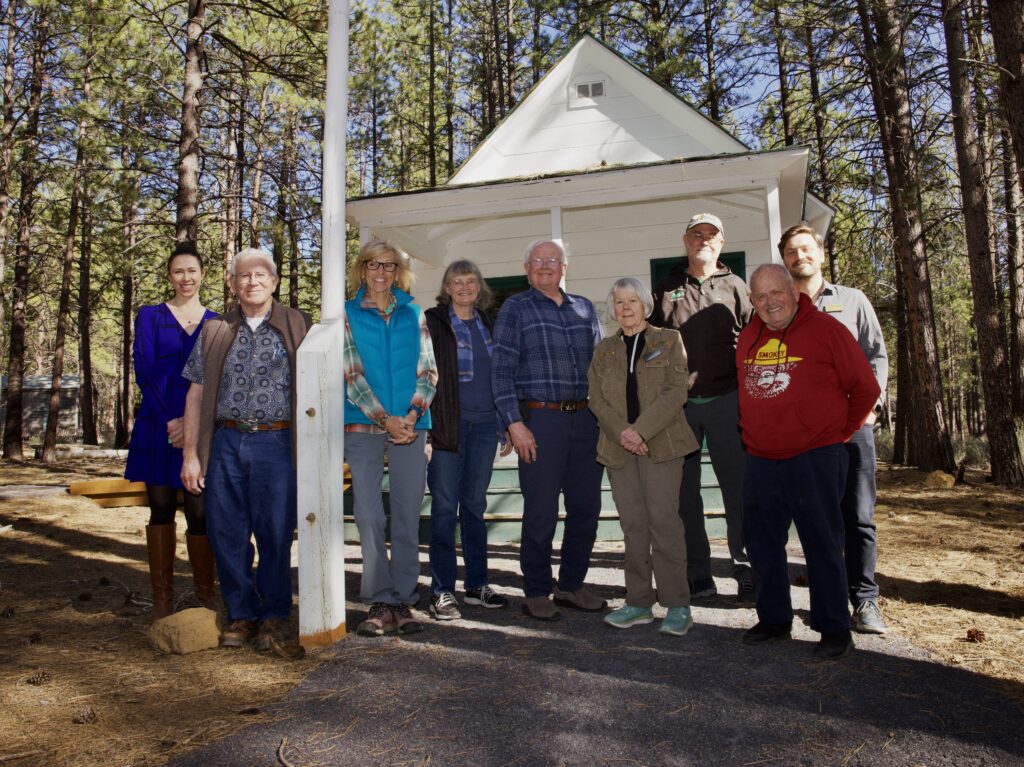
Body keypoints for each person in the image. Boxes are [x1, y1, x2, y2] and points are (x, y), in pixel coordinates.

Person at [737, 264, 880, 661]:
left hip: (814, 456)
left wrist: (842, 431)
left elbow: (865, 387)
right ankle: (774, 620)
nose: (769, 302)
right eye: (760, 296)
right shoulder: (748, 336)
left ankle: (834, 628)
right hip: (761, 458)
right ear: (752, 301)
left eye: (776, 292)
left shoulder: (827, 330)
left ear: (793, 291)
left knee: (822, 543)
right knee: (761, 543)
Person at [181, 248, 311, 652]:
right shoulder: (215, 329)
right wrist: (190, 454)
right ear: (232, 284)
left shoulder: (298, 324)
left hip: (277, 442)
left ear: (274, 281)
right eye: (243, 276)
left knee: (275, 531)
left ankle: (273, 615)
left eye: (260, 275)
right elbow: (196, 392)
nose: (252, 282)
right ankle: (240, 613)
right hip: (226, 441)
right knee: (226, 531)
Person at [780, 224, 889, 635]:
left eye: (806, 248)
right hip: (805, 431)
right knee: (817, 517)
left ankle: (865, 599)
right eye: (791, 252)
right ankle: (828, 600)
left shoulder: (852, 300)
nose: (799, 256)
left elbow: (876, 356)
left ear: (821, 253)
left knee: (858, 515)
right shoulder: (782, 308)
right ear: (784, 260)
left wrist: (871, 409)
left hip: (852, 425)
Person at [491, 240, 605, 621]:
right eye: (537, 260)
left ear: (564, 268)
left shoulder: (583, 308)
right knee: (541, 511)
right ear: (527, 268)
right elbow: (500, 370)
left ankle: (571, 585)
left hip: (586, 421)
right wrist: (514, 423)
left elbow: (601, 367)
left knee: (586, 509)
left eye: (552, 260)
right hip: (541, 422)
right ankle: (537, 590)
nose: (545, 266)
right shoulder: (515, 308)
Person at [650, 213, 754, 603]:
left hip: (729, 403)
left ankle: (746, 569)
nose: (704, 240)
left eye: (711, 235)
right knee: (685, 495)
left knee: (738, 491)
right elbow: (651, 347)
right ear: (686, 240)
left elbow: (755, 341)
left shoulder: (737, 287)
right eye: (697, 234)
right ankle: (698, 574)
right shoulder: (666, 288)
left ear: (721, 243)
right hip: (681, 408)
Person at [588, 278, 700, 636]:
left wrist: (640, 431)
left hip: (661, 446)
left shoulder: (668, 340)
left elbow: (676, 392)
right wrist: (623, 432)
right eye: (619, 302)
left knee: (664, 524)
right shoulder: (604, 349)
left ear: (645, 305)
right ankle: (638, 602)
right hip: (619, 449)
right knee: (633, 526)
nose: (625, 308)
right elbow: (595, 399)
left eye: (632, 301)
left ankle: (677, 604)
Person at [343, 240, 438, 637]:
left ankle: (402, 598)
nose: (381, 272)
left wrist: (412, 416)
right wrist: (385, 419)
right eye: (373, 264)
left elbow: (428, 370)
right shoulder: (345, 314)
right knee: (369, 515)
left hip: (412, 426)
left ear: (398, 272)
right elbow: (351, 374)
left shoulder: (415, 313)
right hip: (363, 423)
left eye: (389, 265)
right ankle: (380, 600)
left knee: (406, 513)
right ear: (362, 269)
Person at [125, 242, 219, 621]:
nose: (185, 278)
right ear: (169, 276)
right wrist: (174, 421)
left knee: (200, 513)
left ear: (202, 275)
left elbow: (219, 381)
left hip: (201, 432)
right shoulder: (150, 316)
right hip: (158, 426)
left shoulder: (217, 324)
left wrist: (192, 425)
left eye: (192, 271)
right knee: (161, 510)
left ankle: (205, 595)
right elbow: (144, 371)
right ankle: (162, 599)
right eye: (178, 271)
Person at [425, 260, 512, 620]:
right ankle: (442, 590)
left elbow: (501, 377)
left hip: (485, 427)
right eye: (457, 282)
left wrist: (505, 424)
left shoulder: (489, 323)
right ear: (447, 288)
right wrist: (426, 431)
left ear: (480, 287)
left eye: (470, 281)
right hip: (447, 427)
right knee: (445, 508)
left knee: (474, 507)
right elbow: (421, 375)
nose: (464, 287)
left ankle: (477, 584)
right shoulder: (433, 322)